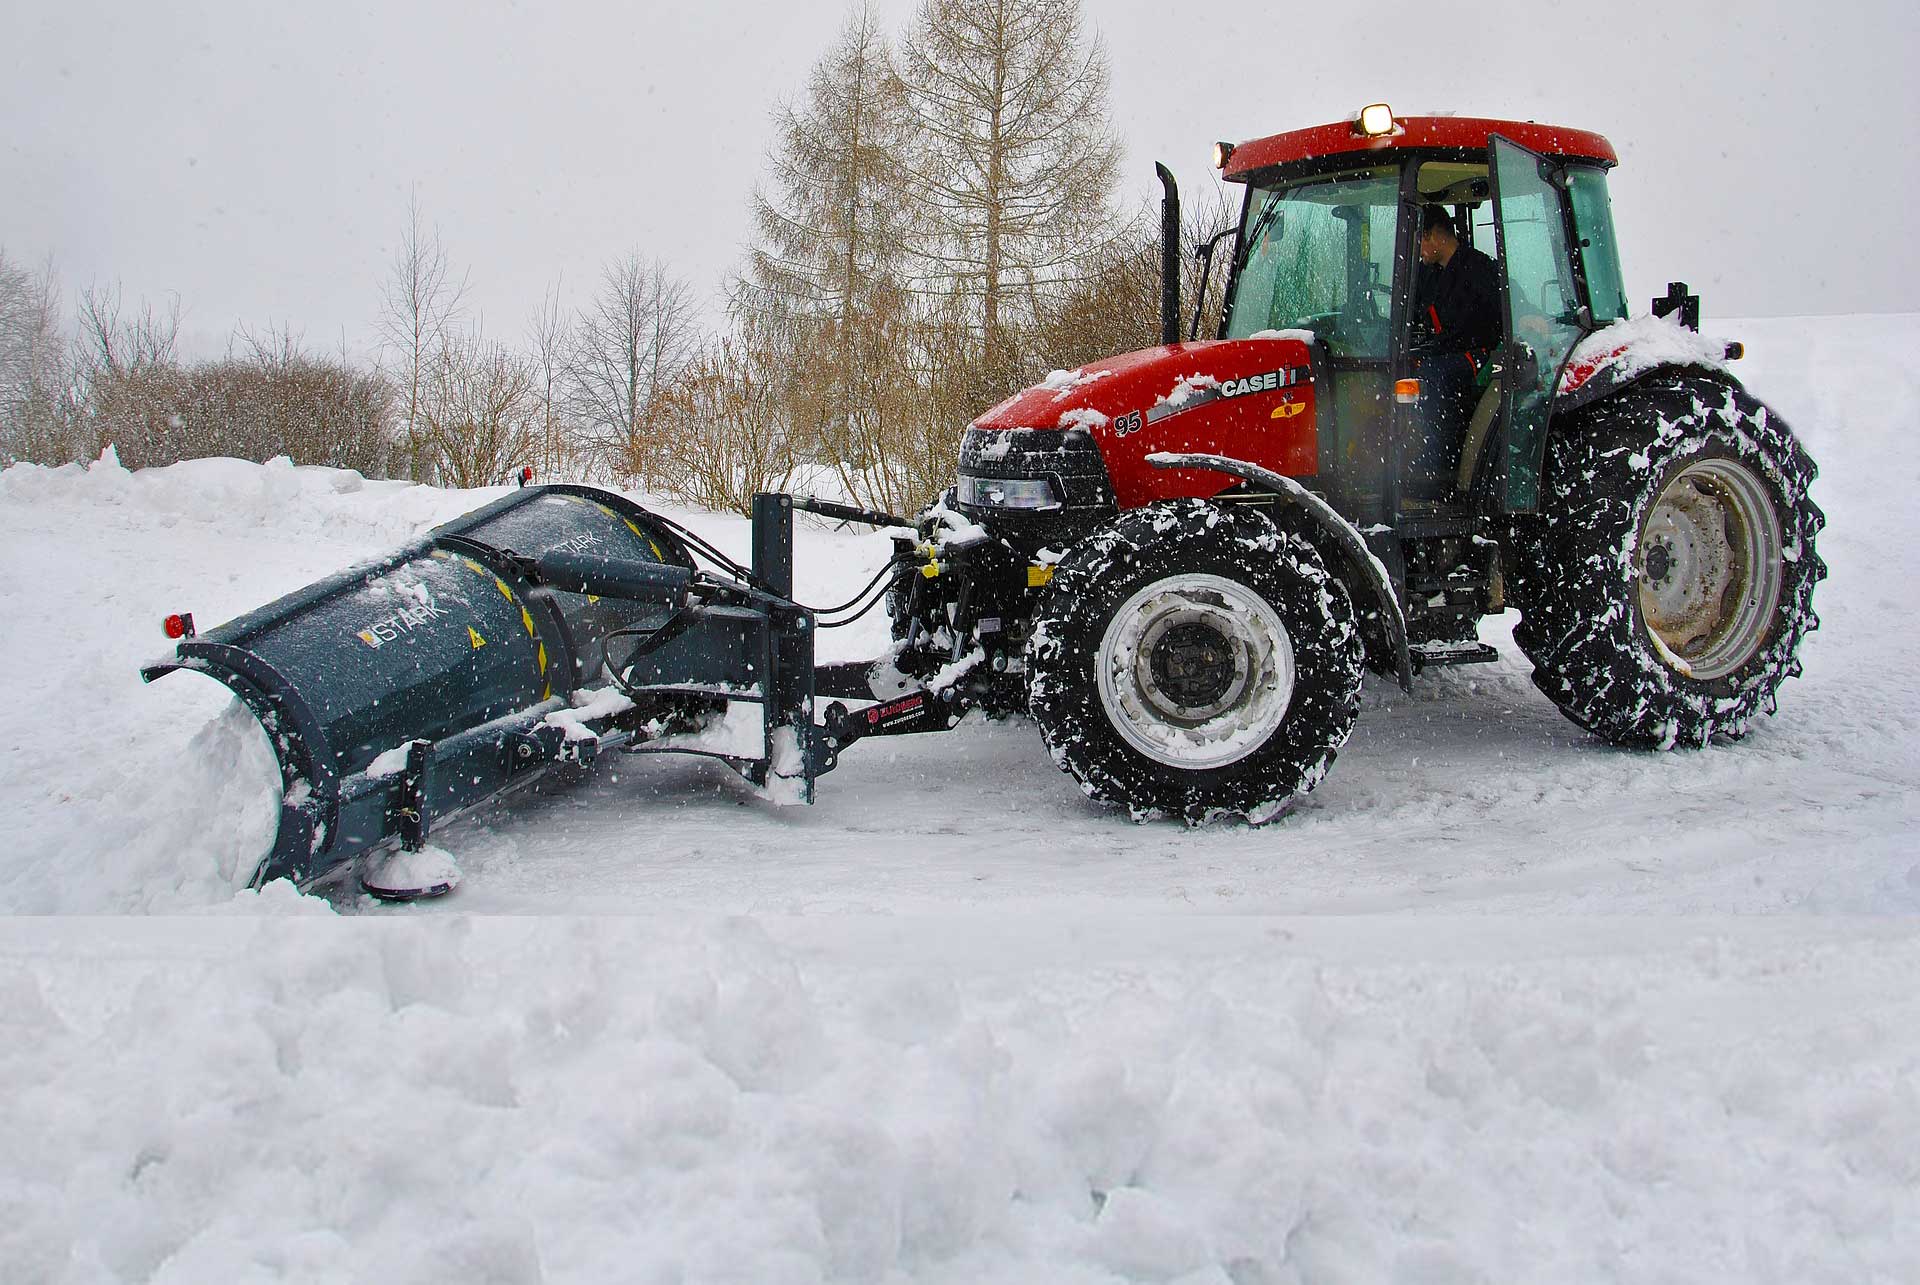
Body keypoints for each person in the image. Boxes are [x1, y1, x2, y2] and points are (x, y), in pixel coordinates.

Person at [1408, 206, 1501, 496]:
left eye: (1420, 241)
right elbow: (1413, 309)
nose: (1419, 250)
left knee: (1434, 375)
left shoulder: (1479, 269)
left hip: (1482, 355)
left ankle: (1438, 471)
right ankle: (1410, 460)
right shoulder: (1431, 275)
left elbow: (1508, 311)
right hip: (1447, 351)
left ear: (1435, 236)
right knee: (1408, 366)